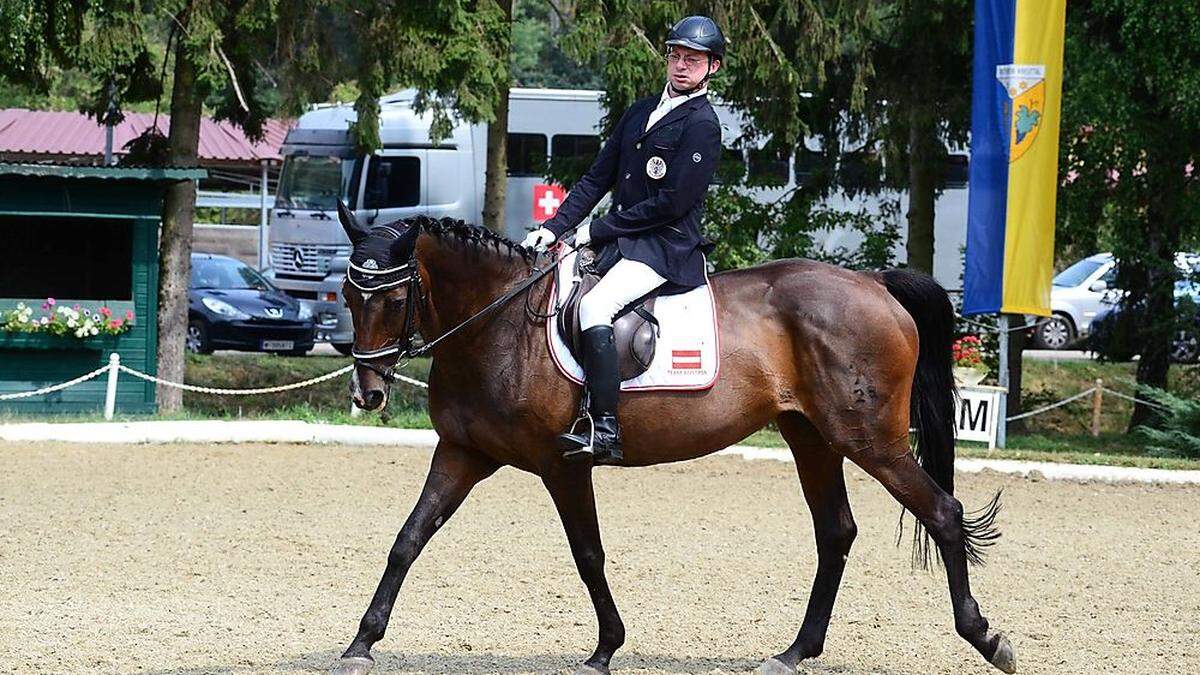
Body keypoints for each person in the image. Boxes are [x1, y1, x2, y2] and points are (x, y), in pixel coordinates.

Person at [521, 15, 726, 465]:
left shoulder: (702, 125)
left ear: (712, 67)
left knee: (596, 306)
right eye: (675, 55)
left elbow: (672, 204)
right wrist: (554, 228)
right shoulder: (639, 112)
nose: (680, 65)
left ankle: (605, 427)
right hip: (623, 241)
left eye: (692, 59)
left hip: (666, 247)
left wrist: (596, 229)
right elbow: (597, 178)